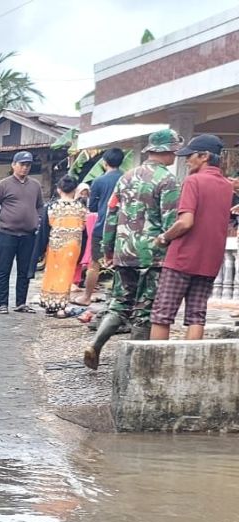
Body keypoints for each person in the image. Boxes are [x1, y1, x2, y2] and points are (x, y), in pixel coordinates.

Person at [84, 129, 182, 369]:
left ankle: (95, 344)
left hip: (123, 251)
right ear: (166, 151)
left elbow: (111, 215)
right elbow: (171, 222)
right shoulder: (168, 180)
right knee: (144, 310)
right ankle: (133, 365)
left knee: (119, 303)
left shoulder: (126, 177)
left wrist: (108, 249)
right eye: (174, 151)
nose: (176, 155)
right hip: (152, 256)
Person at [151, 134, 234, 341]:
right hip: (210, 260)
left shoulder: (193, 180)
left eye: (190, 156)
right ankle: (191, 369)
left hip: (182, 259)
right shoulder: (226, 185)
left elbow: (185, 222)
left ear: (204, 156)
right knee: (197, 316)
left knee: (162, 315)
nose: (187, 161)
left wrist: (164, 237)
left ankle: (157, 367)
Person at [0, 151, 45, 313]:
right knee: (4, 270)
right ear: (13, 165)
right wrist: (4, 218)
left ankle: (21, 303)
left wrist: (38, 220)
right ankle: (3, 304)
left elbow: (40, 206)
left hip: (28, 235)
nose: (25, 168)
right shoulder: (3, 184)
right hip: (7, 234)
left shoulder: (35, 185)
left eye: (28, 165)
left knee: (25, 271)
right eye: (22, 164)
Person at [74, 147, 126, 305]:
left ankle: (86, 297)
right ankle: (116, 301)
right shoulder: (126, 178)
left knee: (94, 263)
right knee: (120, 265)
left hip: (102, 226)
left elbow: (94, 206)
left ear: (104, 162)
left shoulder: (99, 181)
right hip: (122, 227)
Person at [37, 175, 88, 315]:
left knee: (52, 273)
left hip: (56, 245)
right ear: (75, 190)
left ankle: (50, 302)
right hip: (73, 245)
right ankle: (62, 304)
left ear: (59, 189)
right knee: (66, 274)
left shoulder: (52, 207)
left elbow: (46, 228)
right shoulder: (81, 208)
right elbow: (84, 229)